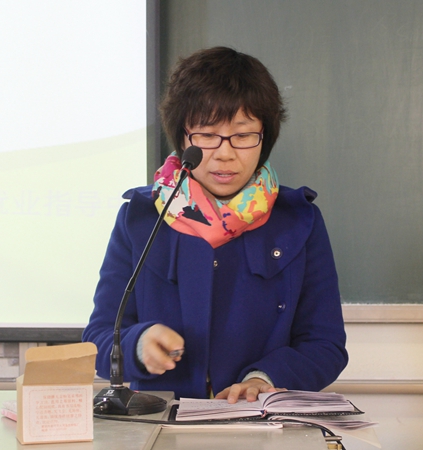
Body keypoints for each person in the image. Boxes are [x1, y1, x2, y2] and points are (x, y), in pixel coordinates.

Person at [82, 46, 348, 403]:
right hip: (163, 421)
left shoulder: (298, 220)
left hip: (260, 421)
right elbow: (99, 339)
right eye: (207, 135)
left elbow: (325, 345)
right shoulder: (142, 217)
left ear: (264, 137)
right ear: (183, 138)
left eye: (243, 135)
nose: (225, 153)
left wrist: (266, 378)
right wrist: (136, 345)